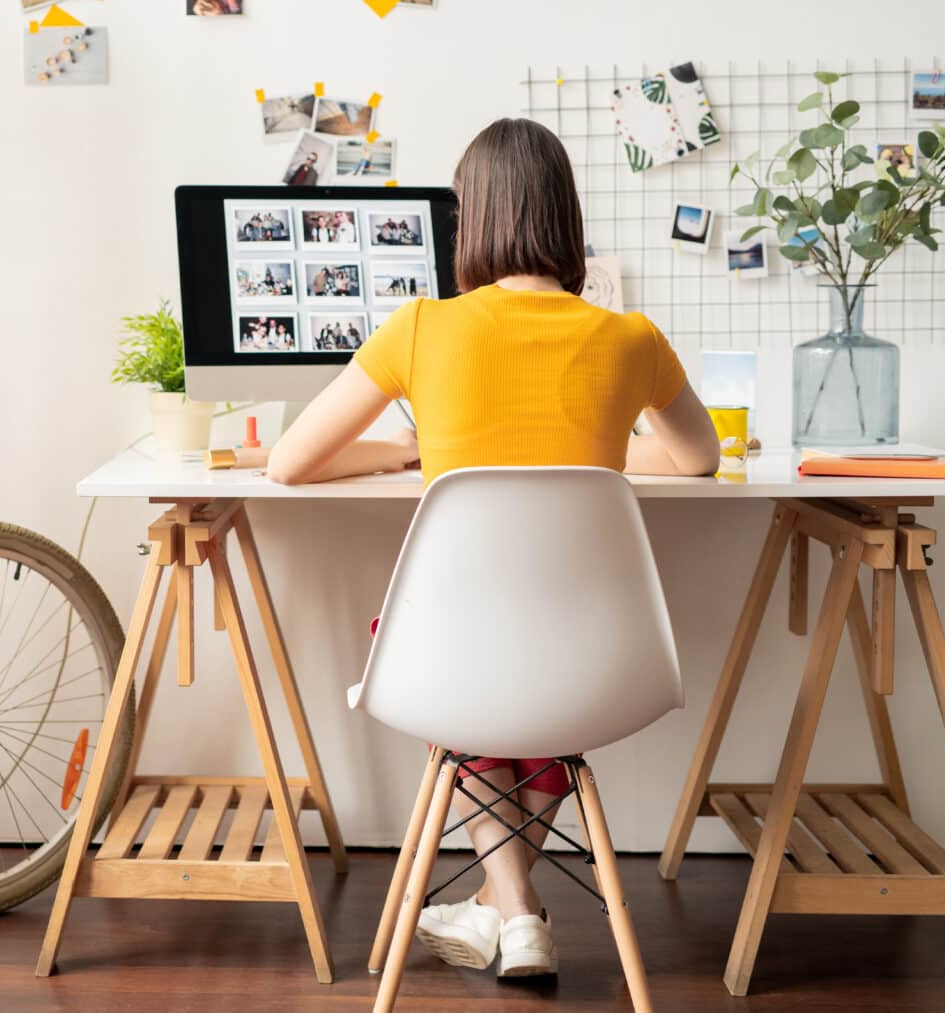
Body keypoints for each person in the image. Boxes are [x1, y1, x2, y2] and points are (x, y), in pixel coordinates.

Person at [266, 117, 718, 979]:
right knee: (536, 666)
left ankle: (508, 912)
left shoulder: (421, 329)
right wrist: (613, 446)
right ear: (566, 217)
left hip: (448, 664)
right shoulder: (630, 338)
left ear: (469, 218)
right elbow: (700, 457)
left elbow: (291, 462)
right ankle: (514, 912)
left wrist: (411, 447)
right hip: (596, 664)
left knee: (454, 655)